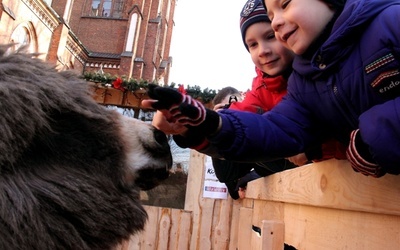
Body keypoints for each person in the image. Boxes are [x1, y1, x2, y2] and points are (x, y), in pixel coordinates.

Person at [143, 0, 399, 178]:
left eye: (285, 4)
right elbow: (274, 130)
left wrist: (372, 138)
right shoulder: (305, 84)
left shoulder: (390, 21)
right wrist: (205, 125)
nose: (276, 22)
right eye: (271, 14)